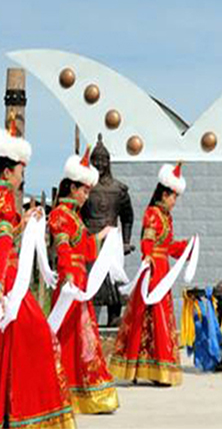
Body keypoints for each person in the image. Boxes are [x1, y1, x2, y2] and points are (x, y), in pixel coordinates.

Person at [0, 122, 76, 429]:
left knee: (1, 353)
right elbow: (3, 243)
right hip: (6, 283)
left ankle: (3, 414)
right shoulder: (2, 199)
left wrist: (23, 221)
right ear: (8, 171)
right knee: (38, 342)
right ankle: (27, 414)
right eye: (22, 168)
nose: (23, 174)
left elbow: (2, 236)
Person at [48, 148, 118, 413]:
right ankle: (65, 390)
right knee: (69, 337)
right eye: (85, 190)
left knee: (82, 337)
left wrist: (101, 236)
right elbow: (64, 249)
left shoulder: (74, 216)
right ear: (73, 187)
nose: (87, 195)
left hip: (78, 281)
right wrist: (68, 277)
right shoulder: (60, 215)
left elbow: (85, 248)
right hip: (70, 284)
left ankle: (82, 391)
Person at [110, 163, 193, 384]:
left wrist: (188, 247)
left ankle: (154, 368)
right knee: (151, 316)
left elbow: (169, 247)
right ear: (164, 194)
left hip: (162, 269)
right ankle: (154, 369)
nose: (174, 202)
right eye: (173, 197)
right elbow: (147, 239)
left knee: (158, 317)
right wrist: (147, 256)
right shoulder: (153, 214)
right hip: (154, 270)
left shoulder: (166, 217)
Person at [80, 134, 133, 327]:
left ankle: (113, 317)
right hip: (91, 239)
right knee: (90, 279)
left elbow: (128, 217)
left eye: (103, 160)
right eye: (96, 160)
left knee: (113, 280)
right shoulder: (85, 188)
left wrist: (126, 241)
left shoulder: (119, 189)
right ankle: (88, 318)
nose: (100, 164)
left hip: (111, 240)